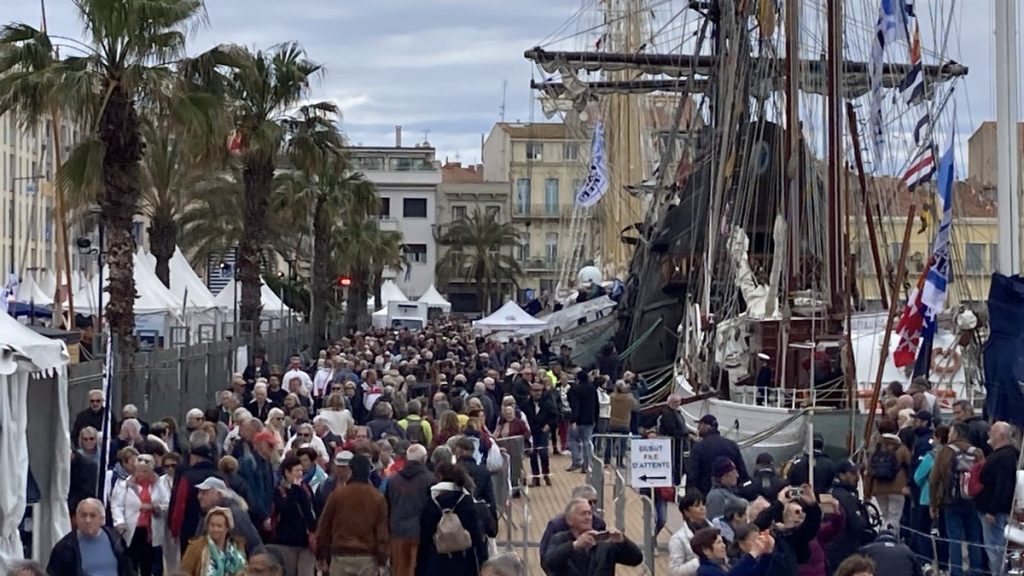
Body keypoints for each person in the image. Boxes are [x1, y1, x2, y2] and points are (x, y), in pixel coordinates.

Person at [315, 454, 389, 575]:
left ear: (351, 470)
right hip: (367, 558)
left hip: (340, 556)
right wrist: (382, 559)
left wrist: (321, 554)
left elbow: (324, 526)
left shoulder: (337, 495)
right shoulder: (377, 498)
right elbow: (381, 533)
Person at [417, 462, 489, 575]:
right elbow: (476, 534)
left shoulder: (431, 501)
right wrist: (482, 560)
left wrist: (420, 568)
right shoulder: (466, 500)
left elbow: (425, 538)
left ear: (439, 476)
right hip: (464, 560)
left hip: (437, 560)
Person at [542, 497, 643, 575]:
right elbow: (548, 562)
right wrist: (574, 545)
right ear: (569, 520)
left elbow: (636, 559)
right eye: (583, 514)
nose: (588, 517)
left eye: (590, 513)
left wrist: (623, 541)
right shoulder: (560, 538)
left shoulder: (604, 541)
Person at [110, 460, 169, 576]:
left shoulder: (159, 486)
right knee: (131, 562)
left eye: (145, 471)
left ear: (151, 472)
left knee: (147, 563)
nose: (142, 474)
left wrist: (153, 507)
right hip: (131, 529)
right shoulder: (124, 485)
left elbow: (166, 504)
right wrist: (119, 523)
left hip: (150, 531)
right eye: (139, 471)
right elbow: (116, 505)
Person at [47, 498, 134, 576]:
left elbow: (128, 569)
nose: (87, 520)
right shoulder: (64, 548)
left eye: (92, 515)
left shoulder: (115, 539)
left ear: (102, 519)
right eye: (83, 515)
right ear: (76, 519)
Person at [976, 421, 1019, 575]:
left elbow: (1003, 486)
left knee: (994, 547)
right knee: (992, 546)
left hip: (993, 510)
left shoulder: (1004, 457)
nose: (988, 434)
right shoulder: (1000, 455)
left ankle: (998, 573)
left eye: (992, 431)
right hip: (988, 507)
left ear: (1000, 435)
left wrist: (993, 510)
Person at [384, 444, 434, 576]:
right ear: (424, 459)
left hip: (397, 531)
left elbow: (387, 506)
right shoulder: (430, 479)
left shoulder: (392, 480)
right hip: (421, 533)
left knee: (400, 570)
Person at [169, 443, 222, 554]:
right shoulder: (219, 476)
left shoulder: (187, 477)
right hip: (217, 528)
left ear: (195, 458)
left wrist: (174, 529)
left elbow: (180, 505)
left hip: (190, 528)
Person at [538, 485, 608, 567]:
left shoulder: (599, 523)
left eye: (595, 502)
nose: (592, 505)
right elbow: (545, 556)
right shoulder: (556, 525)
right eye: (589, 502)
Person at [270, 455, 317, 576]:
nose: (300, 474)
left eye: (301, 470)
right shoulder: (279, 491)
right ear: (287, 472)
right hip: (287, 542)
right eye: (297, 471)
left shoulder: (305, 489)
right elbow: (285, 509)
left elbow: (310, 511)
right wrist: (293, 490)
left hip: (306, 541)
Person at [194, 477, 263, 555]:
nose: (199, 496)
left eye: (204, 493)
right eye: (199, 492)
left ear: (219, 494)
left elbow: (253, 543)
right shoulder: (207, 512)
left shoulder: (234, 514)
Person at [688, 415, 749, 496]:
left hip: (706, 495)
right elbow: (743, 473)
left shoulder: (698, 447)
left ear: (707, 426)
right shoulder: (732, 445)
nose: (698, 428)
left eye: (700, 425)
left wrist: (690, 495)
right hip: (731, 495)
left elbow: (693, 475)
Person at [179, 507, 248, 576]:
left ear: (227, 528)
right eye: (212, 525)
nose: (215, 529)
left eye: (219, 526)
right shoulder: (195, 547)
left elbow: (245, 570)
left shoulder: (237, 547)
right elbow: (184, 572)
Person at [689, 526, 775, 576]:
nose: (724, 545)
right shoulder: (705, 571)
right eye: (718, 543)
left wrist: (766, 553)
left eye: (722, 541)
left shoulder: (727, 564)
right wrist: (752, 554)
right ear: (706, 550)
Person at [521, 382, 558, 487]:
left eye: (540, 390)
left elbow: (555, 416)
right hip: (531, 432)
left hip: (542, 432)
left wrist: (549, 425)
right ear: (531, 392)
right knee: (533, 454)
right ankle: (535, 478)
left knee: (543, 454)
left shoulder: (547, 403)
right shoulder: (526, 404)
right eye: (535, 391)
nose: (538, 393)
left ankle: (546, 474)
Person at [669, 490, 714, 576]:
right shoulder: (678, 539)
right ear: (686, 512)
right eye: (697, 506)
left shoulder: (715, 530)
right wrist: (700, 560)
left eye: (703, 504)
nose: (702, 508)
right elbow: (674, 571)